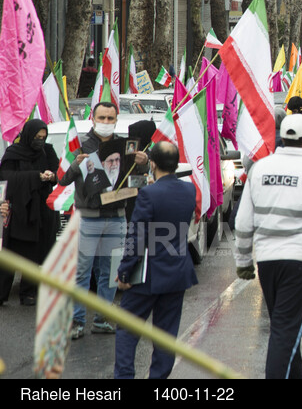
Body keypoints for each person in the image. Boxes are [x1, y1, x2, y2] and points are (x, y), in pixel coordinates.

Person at [234, 114, 302, 379]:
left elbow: (242, 222)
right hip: (300, 263)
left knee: (288, 330)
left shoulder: (260, 169)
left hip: (267, 263)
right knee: (285, 333)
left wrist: (243, 262)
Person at [60, 102, 148, 339]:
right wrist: (76, 164)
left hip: (117, 217)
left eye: (110, 118)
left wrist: (144, 163)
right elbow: (62, 180)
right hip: (88, 218)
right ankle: (77, 322)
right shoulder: (79, 145)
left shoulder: (126, 146)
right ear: (93, 118)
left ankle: (102, 319)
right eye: (102, 117)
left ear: (116, 120)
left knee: (110, 271)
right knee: (82, 271)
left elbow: (139, 180)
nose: (106, 122)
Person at [113, 142, 198, 379]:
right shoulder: (189, 190)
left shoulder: (149, 194)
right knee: (165, 336)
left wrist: (125, 272)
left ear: (152, 164)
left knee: (127, 330)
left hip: (148, 273)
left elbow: (136, 236)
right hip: (177, 271)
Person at [0, 120, 60, 306]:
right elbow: (6, 177)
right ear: (28, 135)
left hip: (41, 210)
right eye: (37, 138)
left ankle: (29, 292)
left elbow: (57, 173)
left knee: (35, 251)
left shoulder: (47, 151)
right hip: (17, 210)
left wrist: (51, 176)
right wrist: (35, 177)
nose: (40, 141)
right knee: (10, 252)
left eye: (43, 138)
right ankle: (2, 292)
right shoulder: (14, 154)